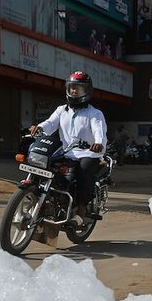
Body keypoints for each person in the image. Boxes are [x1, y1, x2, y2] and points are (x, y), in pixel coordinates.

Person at [29, 71, 107, 227]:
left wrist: (98, 143)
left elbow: (99, 131)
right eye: (72, 87)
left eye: (78, 88)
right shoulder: (61, 110)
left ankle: (81, 213)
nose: (74, 91)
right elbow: (50, 123)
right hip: (66, 152)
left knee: (84, 171)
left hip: (88, 153)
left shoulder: (94, 113)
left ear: (87, 91)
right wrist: (39, 128)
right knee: (53, 171)